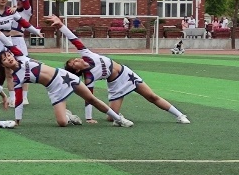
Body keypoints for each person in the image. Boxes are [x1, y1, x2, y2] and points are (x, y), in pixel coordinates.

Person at [49, 16, 190, 125]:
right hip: (115, 84)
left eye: (74, 59)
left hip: (126, 74)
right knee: (111, 118)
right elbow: (89, 98)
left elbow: (73, 38)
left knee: (151, 96)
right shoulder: (89, 77)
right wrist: (89, 118)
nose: (76, 60)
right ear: (76, 70)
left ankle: (180, 115)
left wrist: (60, 25)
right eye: (73, 63)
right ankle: (77, 116)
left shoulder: (86, 54)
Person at [0, 32, 133, 127]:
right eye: (4, 59)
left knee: (91, 99)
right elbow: (19, 100)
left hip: (64, 77)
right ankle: (69, 116)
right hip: (54, 89)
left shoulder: (21, 56)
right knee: (62, 123)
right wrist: (17, 120)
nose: (8, 58)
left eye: (8, 55)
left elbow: (6, 41)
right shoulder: (17, 78)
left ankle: (118, 119)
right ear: (3, 65)